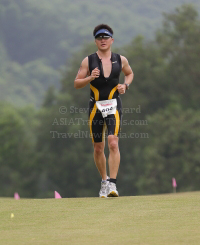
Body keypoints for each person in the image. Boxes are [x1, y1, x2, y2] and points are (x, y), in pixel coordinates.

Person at [74, 24, 134, 198]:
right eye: (99, 38)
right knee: (98, 148)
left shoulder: (120, 59)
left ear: (112, 40)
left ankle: (113, 185)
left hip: (114, 106)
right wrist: (90, 77)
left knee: (113, 142)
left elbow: (129, 74)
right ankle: (104, 182)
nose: (103, 40)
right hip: (95, 108)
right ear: (95, 41)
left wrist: (125, 85)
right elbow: (77, 83)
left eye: (106, 37)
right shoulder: (88, 61)